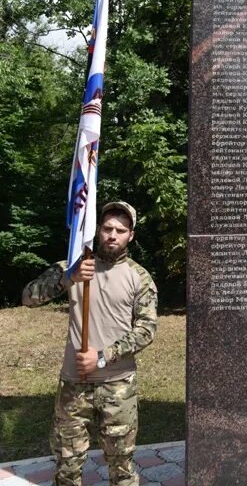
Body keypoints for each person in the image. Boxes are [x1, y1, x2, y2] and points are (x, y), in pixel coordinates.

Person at [22, 201, 157, 486]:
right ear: (97, 230)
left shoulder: (140, 277)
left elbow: (146, 329)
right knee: (67, 467)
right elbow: (28, 297)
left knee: (121, 468)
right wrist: (67, 279)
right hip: (74, 384)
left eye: (120, 230)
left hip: (118, 385)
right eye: (107, 228)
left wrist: (103, 356)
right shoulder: (73, 267)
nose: (112, 235)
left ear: (130, 236)